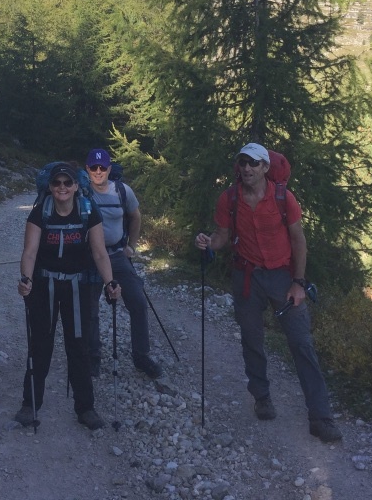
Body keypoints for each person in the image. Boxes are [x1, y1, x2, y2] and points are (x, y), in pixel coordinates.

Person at [194, 143, 342, 443]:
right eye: (242, 163)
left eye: (253, 163)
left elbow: (299, 241)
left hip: (283, 277)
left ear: (265, 168)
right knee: (252, 340)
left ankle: (321, 417)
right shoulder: (230, 199)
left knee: (301, 344)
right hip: (247, 276)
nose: (246, 168)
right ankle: (262, 397)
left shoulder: (283, 198)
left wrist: (298, 283)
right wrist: (209, 242)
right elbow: (223, 235)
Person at [15, 162, 122, 430]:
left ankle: (85, 407)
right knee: (40, 345)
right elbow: (29, 251)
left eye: (67, 183)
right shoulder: (41, 212)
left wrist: (110, 282)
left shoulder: (88, 211)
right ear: (50, 187)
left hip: (78, 287)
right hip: (45, 285)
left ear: (76, 186)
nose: (62, 187)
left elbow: (99, 252)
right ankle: (30, 403)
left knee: (79, 346)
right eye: (56, 183)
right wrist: (26, 279)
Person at [84, 148, 163, 379]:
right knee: (90, 308)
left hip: (118, 255)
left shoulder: (122, 191)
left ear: (109, 169)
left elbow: (136, 216)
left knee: (137, 302)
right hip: (89, 257)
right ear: (87, 169)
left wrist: (132, 246)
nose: (98, 172)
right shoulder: (82, 193)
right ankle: (92, 357)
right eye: (93, 167)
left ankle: (141, 356)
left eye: (102, 167)